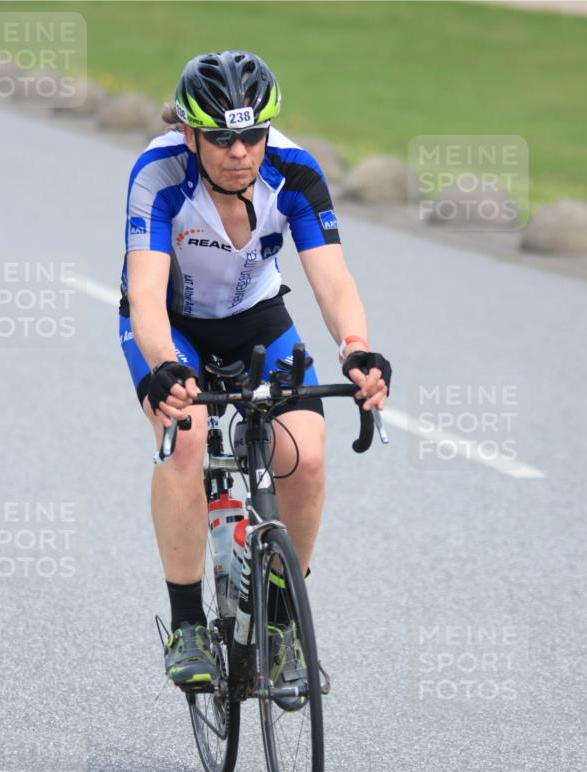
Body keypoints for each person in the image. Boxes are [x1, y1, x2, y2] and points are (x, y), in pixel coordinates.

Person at [119, 51, 391, 687]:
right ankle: (187, 622)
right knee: (184, 442)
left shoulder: (294, 172)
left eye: (251, 134)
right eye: (220, 137)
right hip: (171, 324)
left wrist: (355, 349)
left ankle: (279, 622)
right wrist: (164, 367)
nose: (238, 150)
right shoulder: (158, 174)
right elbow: (148, 296)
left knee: (309, 451)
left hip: (254, 316)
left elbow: (332, 280)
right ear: (189, 134)